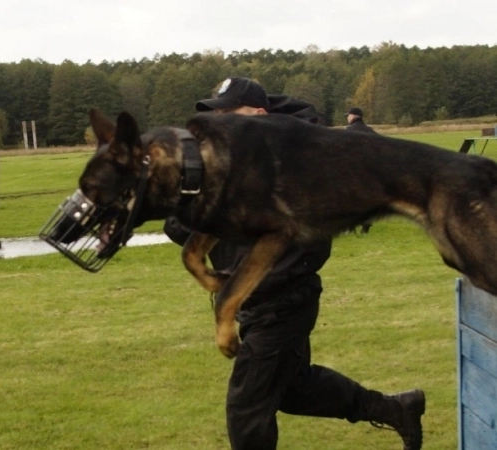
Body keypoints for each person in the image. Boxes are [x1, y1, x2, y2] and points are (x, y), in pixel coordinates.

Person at [164, 77, 425, 450]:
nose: (218, 123)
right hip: (257, 304)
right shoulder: (229, 166)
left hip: (282, 301)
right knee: (294, 390)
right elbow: (181, 228)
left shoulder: (295, 165)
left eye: (227, 113)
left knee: (246, 411)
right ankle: (396, 409)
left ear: (258, 115)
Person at [344, 107, 376, 234]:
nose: (347, 118)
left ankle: (350, 226)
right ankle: (366, 226)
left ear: (353, 116)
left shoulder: (348, 131)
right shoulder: (371, 131)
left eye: (348, 115)